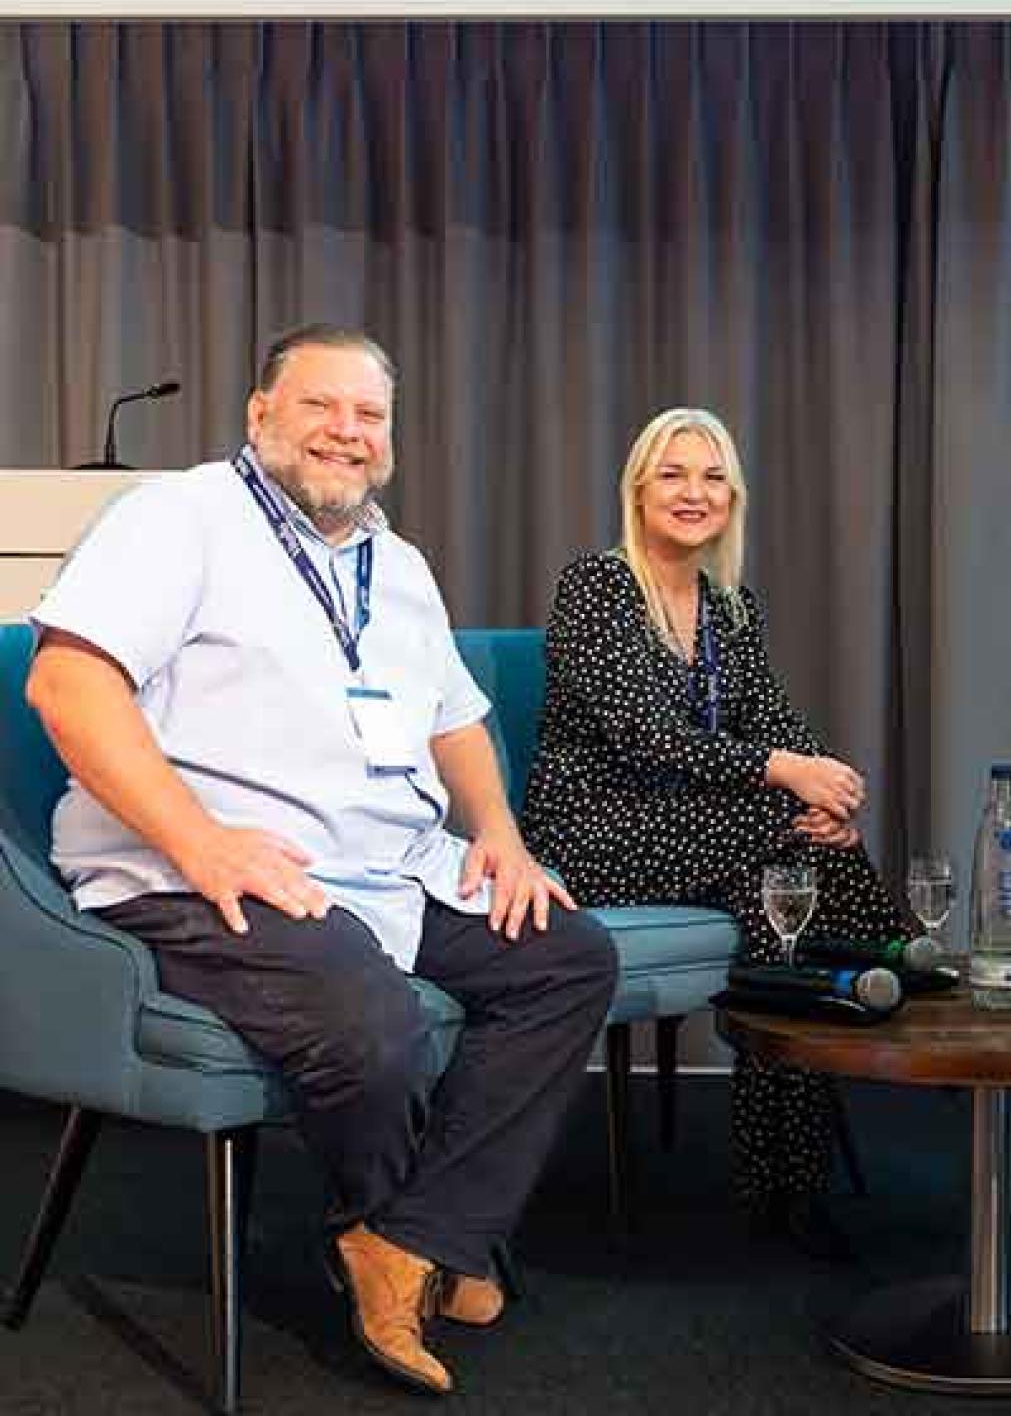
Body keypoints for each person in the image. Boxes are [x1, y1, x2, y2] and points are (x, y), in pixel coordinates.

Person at [24, 325, 618, 1398]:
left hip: (382, 867)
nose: (347, 431)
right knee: (370, 1020)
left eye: (369, 414)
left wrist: (499, 832)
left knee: (566, 958)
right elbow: (67, 688)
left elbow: (457, 723)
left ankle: (411, 1238)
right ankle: (402, 1238)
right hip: (196, 868)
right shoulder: (177, 520)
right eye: (319, 405)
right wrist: (199, 840)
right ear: (259, 416)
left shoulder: (398, 568)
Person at [520, 406, 909, 1259]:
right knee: (791, 848)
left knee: (789, 908)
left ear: (732, 498)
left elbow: (772, 719)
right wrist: (786, 778)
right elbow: (640, 734)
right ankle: (905, 963)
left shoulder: (731, 607)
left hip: (708, 829)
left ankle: (784, 1179)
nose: (693, 493)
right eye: (673, 474)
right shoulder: (598, 585)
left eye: (711, 477)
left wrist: (830, 792)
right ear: (638, 488)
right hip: (596, 826)